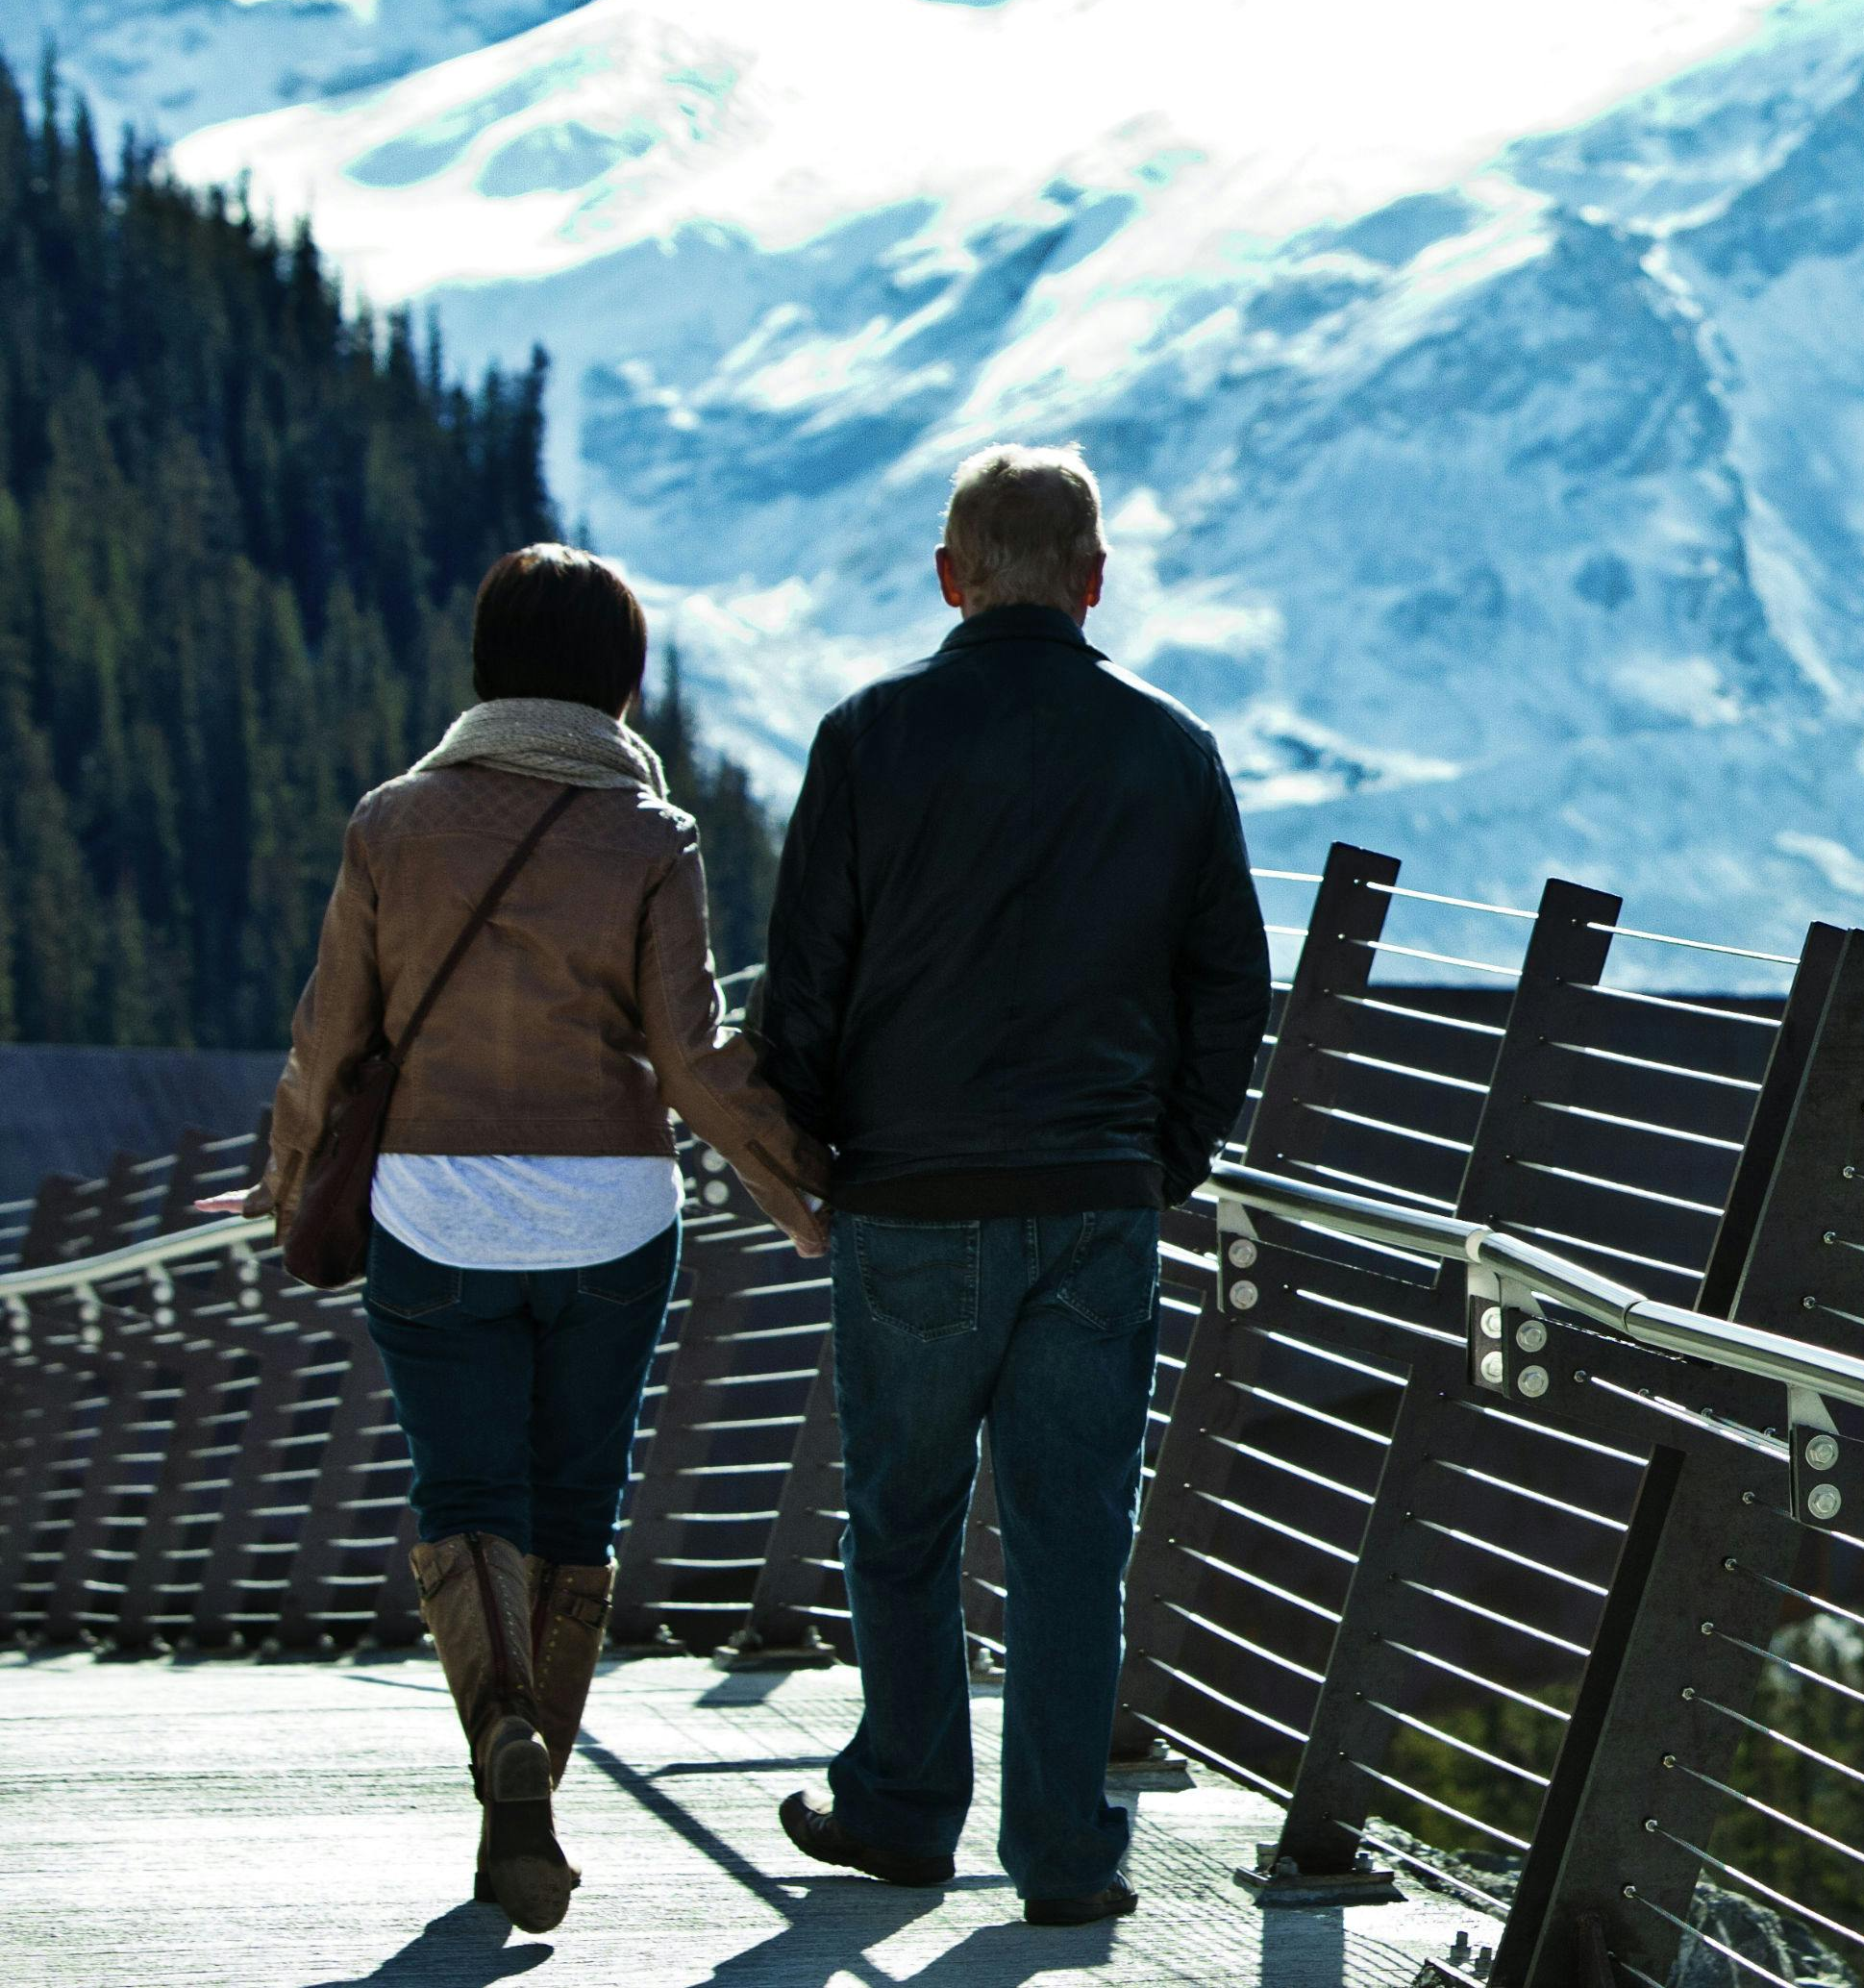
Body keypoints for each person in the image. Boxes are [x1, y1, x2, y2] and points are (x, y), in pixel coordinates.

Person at [261, 545, 829, 1932]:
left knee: (467, 1498)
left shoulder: (393, 825)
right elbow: (693, 1064)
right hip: (609, 1220)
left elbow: (331, 1041)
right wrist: (811, 1199)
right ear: (622, 683)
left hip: (434, 1217)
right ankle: (535, 1788)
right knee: (577, 1508)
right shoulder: (650, 838)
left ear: (483, 670)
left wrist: (290, 1192)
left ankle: (501, 1735)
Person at [756, 442, 1271, 1926]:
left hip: (909, 1195)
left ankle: (908, 1812)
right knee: (1071, 1537)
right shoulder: (1170, 749)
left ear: (949, 577)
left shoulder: (866, 737)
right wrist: (1163, 1156)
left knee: (902, 1520)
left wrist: (811, 1150)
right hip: (1096, 1191)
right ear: (1096, 580)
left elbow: (807, 985)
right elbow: (1229, 983)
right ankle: (1064, 1859)